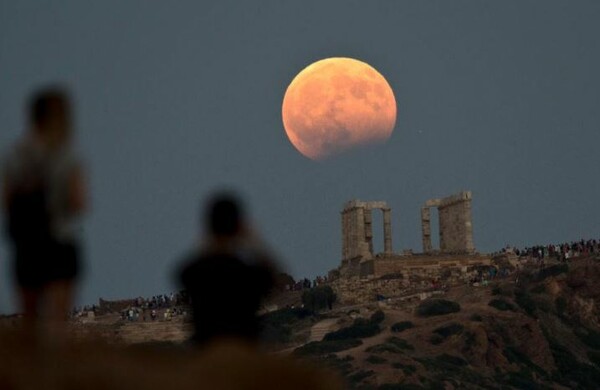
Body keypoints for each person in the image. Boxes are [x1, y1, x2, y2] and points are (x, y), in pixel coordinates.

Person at [2, 87, 86, 334]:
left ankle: (31, 368)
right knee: (59, 321)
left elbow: (6, 201)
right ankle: (55, 369)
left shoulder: (15, 156)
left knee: (29, 318)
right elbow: (79, 202)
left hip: (26, 242)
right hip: (60, 239)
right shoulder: (67, 156)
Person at [178, 193, 277, 346]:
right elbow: (275, 280)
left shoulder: (192, 272)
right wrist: (256, 243)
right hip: (243, 352)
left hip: (206, 352)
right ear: (238, 227)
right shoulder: (249, 274)